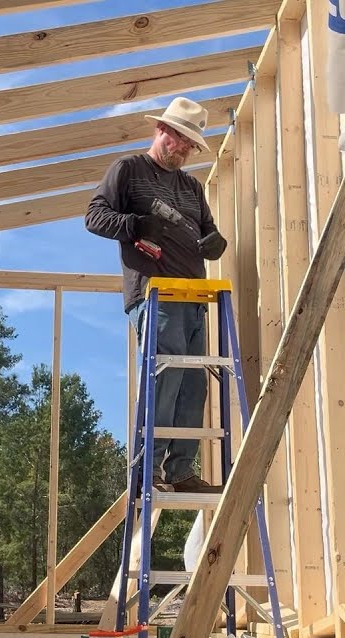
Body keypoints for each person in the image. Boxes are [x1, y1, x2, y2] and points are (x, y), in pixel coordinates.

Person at [84, 97, 228, 493]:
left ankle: (180, 471)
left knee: (193, 387)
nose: (183, 150)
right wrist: (136, 225)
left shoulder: (191, 186)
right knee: (165, 378)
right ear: (161, 130)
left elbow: (208, 233)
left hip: (194, 297)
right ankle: (149, 469)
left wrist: (216, 244)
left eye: (190, 146)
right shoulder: (129, 170)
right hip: (155, 294)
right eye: (178, 139)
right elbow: (94, 216)